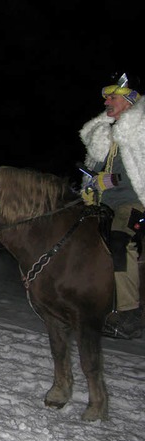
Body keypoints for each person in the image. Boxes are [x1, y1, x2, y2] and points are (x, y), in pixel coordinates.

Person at [80, 71, 145, 339]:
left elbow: (135, 175)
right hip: (102, 205)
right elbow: (92, 171)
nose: (107, 101)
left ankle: (130, 313)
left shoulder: (141, 133)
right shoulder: (103, 134)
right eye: (106, 98)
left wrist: (110, 180)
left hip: (134, 205)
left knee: (120, 240)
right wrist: (88, 185)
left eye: (113, 97)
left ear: (129, 101)